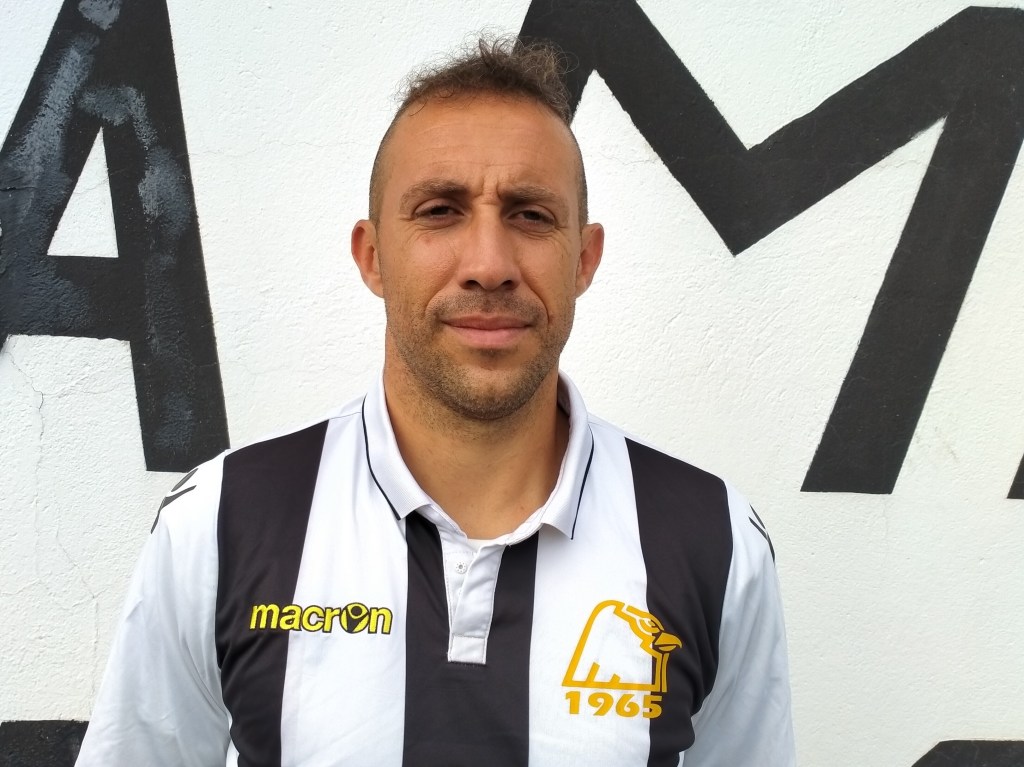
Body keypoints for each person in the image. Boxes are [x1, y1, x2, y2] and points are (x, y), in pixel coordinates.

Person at [77, 37, 795, 766]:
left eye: (530, 215)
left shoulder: (715, 541)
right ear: (372, 256)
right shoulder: (219, 523)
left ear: (584, 259)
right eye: (441, 210)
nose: (488, 265)